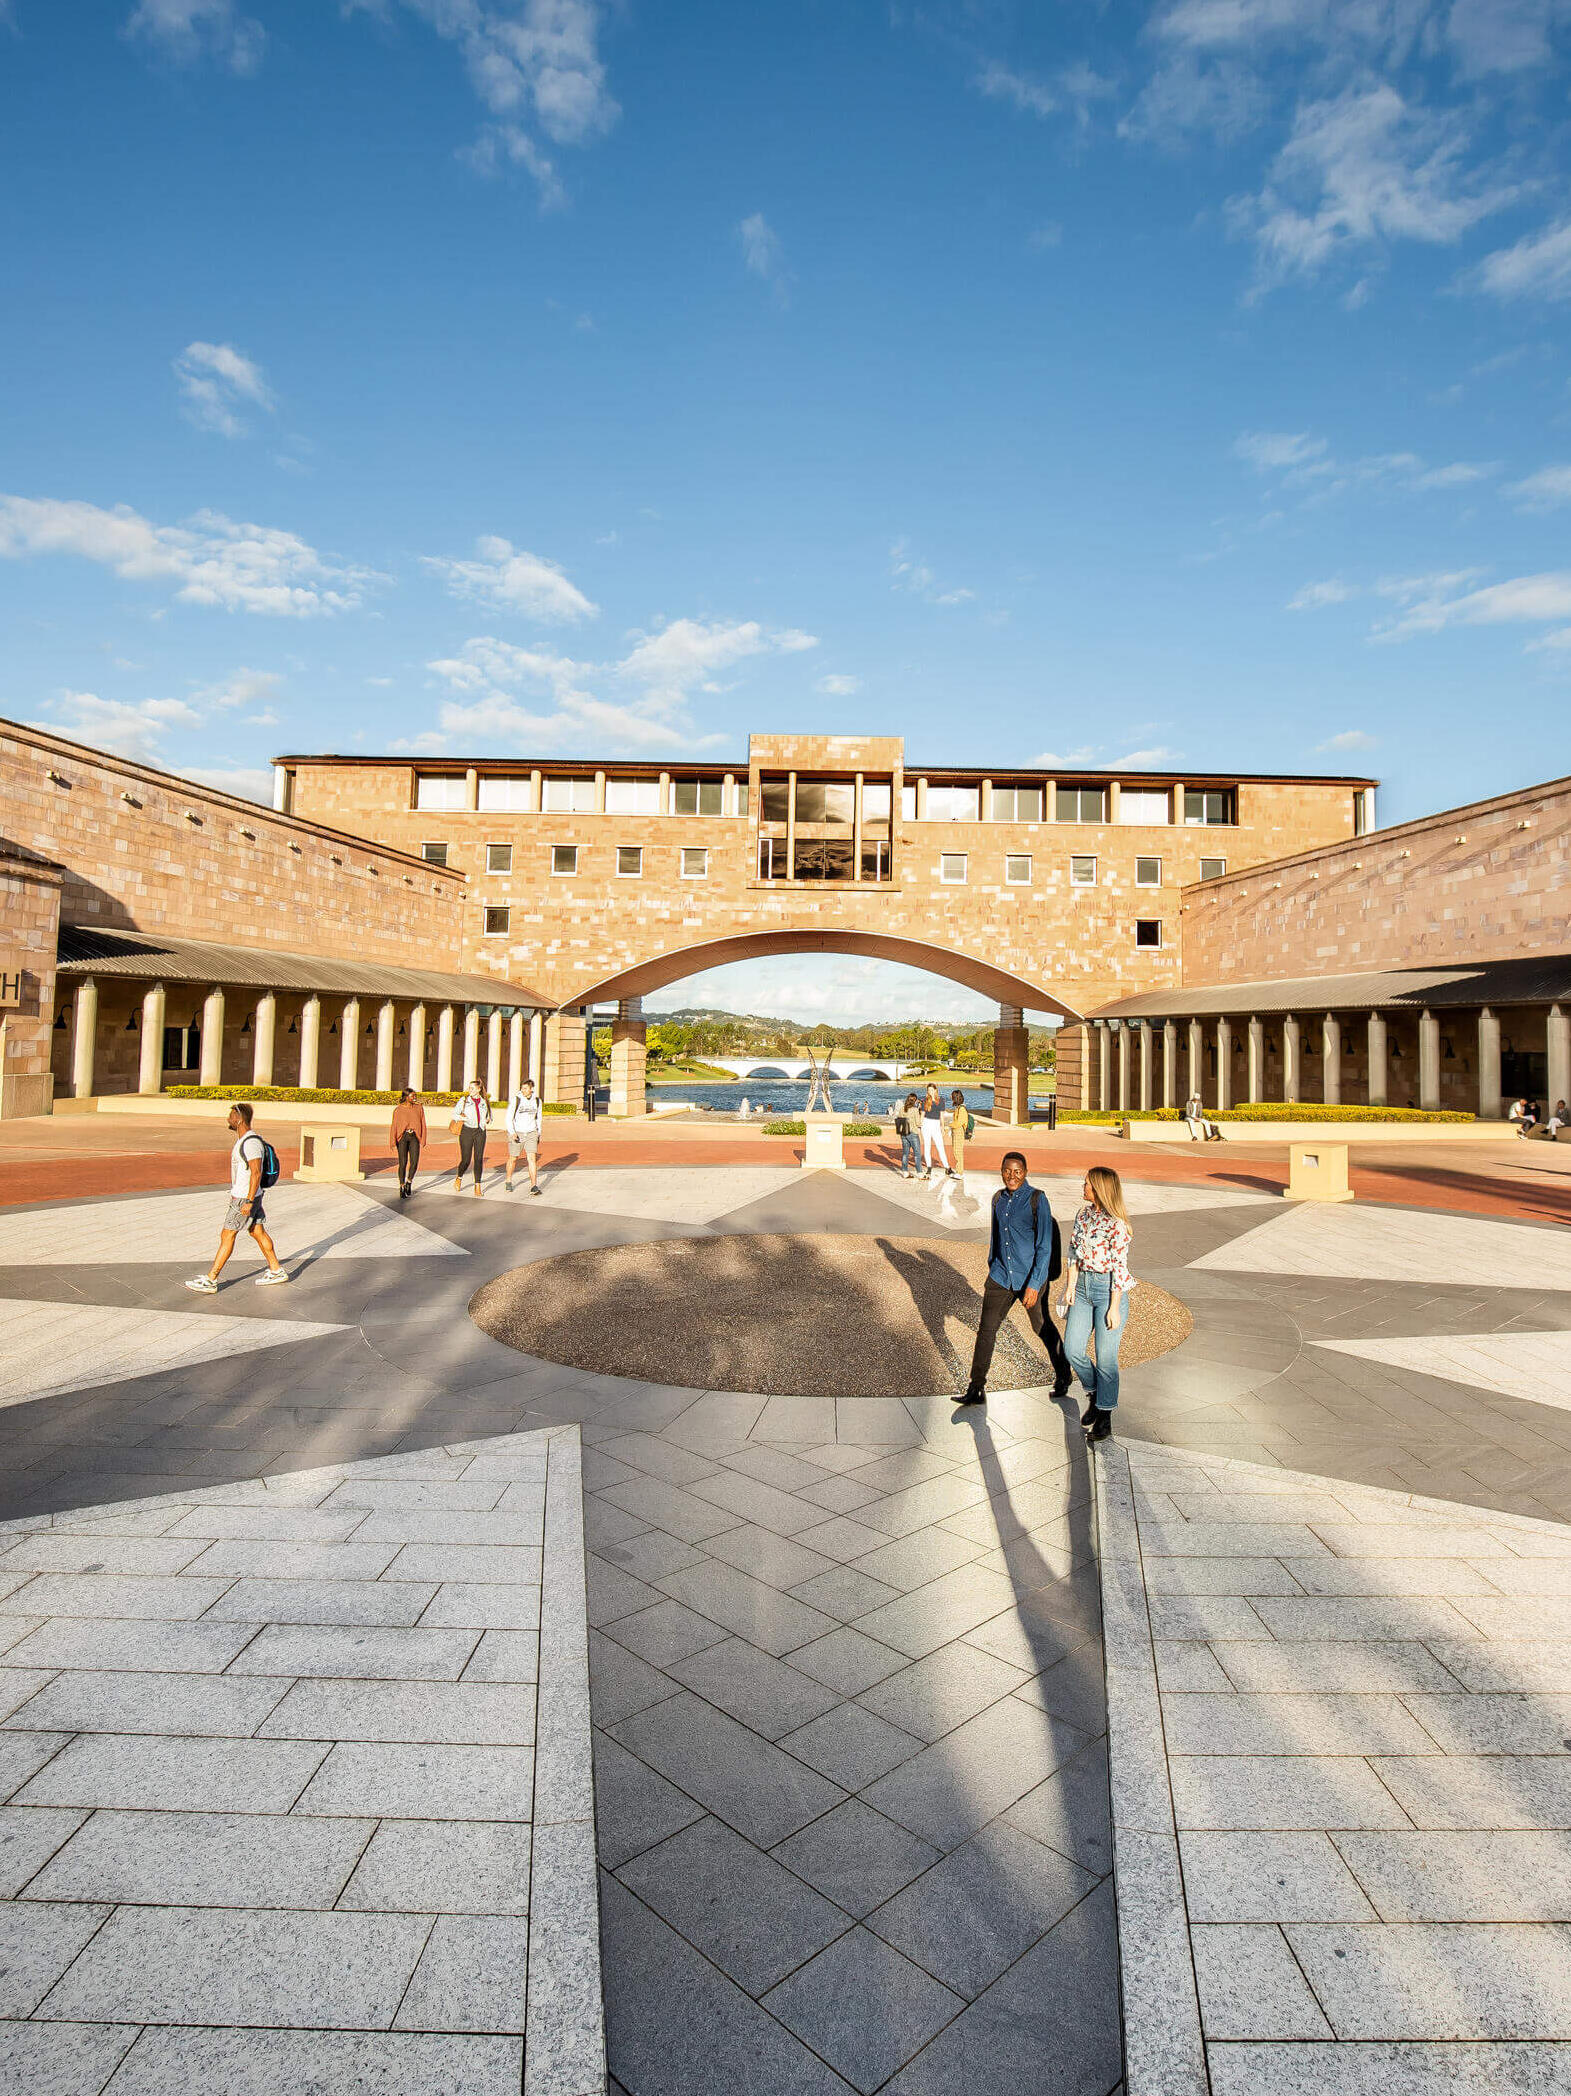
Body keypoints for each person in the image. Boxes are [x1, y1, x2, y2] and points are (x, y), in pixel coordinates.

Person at [958, 1151, 1071, 1406]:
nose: (1012, 1176)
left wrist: (1034, 1285)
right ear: (1001, 1171)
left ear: (1025, 1172)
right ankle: (976, 1388)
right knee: (986, 1331)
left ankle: (1063, 1374)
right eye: (1007, 1171)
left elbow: (1044, 1247)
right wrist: (992, 1266)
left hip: (1030, 1276)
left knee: (1042, 1327)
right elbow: (997, 1238)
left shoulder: (1037, 1199)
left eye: (1017, 1171)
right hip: (1000, 1276)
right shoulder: (997, 1199)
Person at [1058, 1165, 1133, 1444]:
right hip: (1083, 1289)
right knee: (1072, 1349)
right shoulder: (1083, 1215)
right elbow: (1073, 1252)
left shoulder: (1117, 1224)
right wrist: (1069, 1287)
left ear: (1100, 1188)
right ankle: (1094, 1393)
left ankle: (1105, 1417)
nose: (1083, 1187)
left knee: (1106, 1359)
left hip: (1108, 1291)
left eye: (1087, 1183)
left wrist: (1114, 1306)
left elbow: (1119, 1267)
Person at [186, 1102, 288, 1292]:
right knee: (257, 1232)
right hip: (249, 1196)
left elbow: (256, 1173)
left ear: (239, 1119)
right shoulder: (246, 1140)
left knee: (227, 1235)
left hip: (244, 1198)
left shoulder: (250, 1143)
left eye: (231, 1115)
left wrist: (249, 1201)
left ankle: (211, 1279)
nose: (228, 1118)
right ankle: (276, 1270)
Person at [450, 1077, 491, 1196]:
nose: (470, 1090)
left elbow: (489, 1116)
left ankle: (477, 1186)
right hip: (467, 1131)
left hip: (480, 1132)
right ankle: (459, 1177)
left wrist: (487, 1120)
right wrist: (464, 1118)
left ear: (479, 1089)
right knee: (466, 1160)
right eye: (469, 1088)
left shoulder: (484, 1101)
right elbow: (455, 1114)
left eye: (472, 1088)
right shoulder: (464, 1100)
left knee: (478, 1159)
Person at [505, 1076, 544, 1195]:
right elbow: (509, 1118)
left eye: (526, 1088)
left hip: (531, 1132)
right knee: (513, 1158)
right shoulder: (516, 1100)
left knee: (531, 1158)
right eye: (522, 1088)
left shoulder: (537, 1101)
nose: (523, 1090)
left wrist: (538, 1133)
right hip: (518, 1133)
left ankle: (533, 1185)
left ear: (531, 1089)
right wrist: (512, 1132)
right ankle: (508, 1180)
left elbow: (539, 1118)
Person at [389, 1087, 426, 1199]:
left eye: (415, 1095)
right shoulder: (398, 1110)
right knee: (403, 1163)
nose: (414, 1098)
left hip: (414, 1136)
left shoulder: (419, 1108)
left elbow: (423, 1123)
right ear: (406, 1097)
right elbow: (394, 1126)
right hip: (403, 1137)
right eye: (412, 1096)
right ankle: (402, 1185)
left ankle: (409, 1181)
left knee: (414, 1162)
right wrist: (392, 1141)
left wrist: (423, 1138)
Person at [920, 1083, 950, 1179]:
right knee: (927, 1146)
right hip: (926, 1124)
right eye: (928, 1090)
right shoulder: (924, 1100)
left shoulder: (941, 1100)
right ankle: (929, 1167)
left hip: (936, 1124)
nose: (930, 1092)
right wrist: (919, 1126)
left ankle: (947, 1167)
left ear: (936, 1090)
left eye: (932, 1090)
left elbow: (942, 1115)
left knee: (940, 1146)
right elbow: (922, 1114)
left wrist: (943, 1126)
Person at [895, 1093, 921, 1177]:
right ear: (915, 1101)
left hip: (903, 1133)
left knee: (905, 1153)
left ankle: (905, 1171)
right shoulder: (915, 1109)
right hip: (913, 1132)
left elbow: (899, 1119)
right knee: (917, 1153)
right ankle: (919, 1172)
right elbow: (918, 1123)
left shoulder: (902, 1108)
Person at [949, 1087, 973, 1179]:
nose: (951, 1098)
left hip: (959, 1131)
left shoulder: (962, 1109)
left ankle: (960, 1172)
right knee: (956, 1151)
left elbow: (959, 1122)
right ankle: (958, 1171)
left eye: (952, 1096)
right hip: (956, 1131)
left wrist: (950, 1125)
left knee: (958, 1152)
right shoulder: (958, 1108)